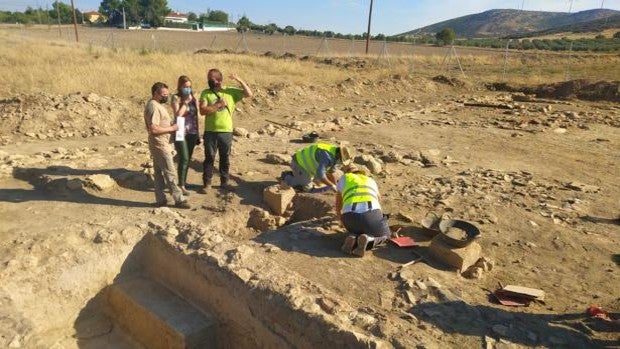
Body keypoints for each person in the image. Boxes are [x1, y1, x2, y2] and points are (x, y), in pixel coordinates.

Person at [198, 68, 253, 192]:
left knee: (225, 157)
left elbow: (249, 94)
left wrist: (239, 80)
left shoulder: (229, 92)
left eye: (210, 79)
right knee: (209, 157)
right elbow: (202, 111)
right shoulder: (206, 93)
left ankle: (224, 182)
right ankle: (207, 183)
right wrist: (217, 105)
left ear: (219, 80)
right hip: (210, 131)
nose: (208, 81)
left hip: (226, 131)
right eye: (208, 79)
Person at [143, 82, 190, 209]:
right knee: (170, 172)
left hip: (161, 143)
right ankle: (179, 199)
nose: (166, 96)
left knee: (158, 173)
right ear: (155, 94)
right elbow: (153, 129)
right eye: (164, 94)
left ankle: (161, 199)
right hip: (160, 144)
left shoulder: (156, 105)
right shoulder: (153, 106)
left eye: (167, 94)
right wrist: (172, 128)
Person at [334, 164, 390, 257]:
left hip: (349, 216)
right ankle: (368, 240)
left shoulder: (344, 178)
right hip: (371, 215)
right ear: (359, 171)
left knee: (357, 228)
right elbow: (378, 199)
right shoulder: (370, 180)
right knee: (386, 235)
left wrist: (341, 220)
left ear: (346, 172)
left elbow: (338, 204)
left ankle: (353, 237)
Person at [171, 75, 200, 196]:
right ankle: (180, 185)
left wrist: (198, 132)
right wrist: (185, 103)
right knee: (183, 157)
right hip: (180, 129)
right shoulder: (175, 97)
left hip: (192, 130)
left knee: (188, 158)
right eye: (185, 87)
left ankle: (184, 181)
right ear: (180, 86)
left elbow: (196, 115)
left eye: (189, 86)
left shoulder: (193, 97)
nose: (188, 89)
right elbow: (178, 115)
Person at [282, 143, 352, 192]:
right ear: (339, 154)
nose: (341, 162)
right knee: (306, 188)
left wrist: (337, 186)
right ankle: (287, 177)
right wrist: (332, 186)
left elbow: (331, 172)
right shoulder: (327, 156)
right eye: (341, 159)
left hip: (309, 167)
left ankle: (298, 175)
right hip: (299, 163)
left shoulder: (334, 154)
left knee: (319, 181)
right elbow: (321, 175)